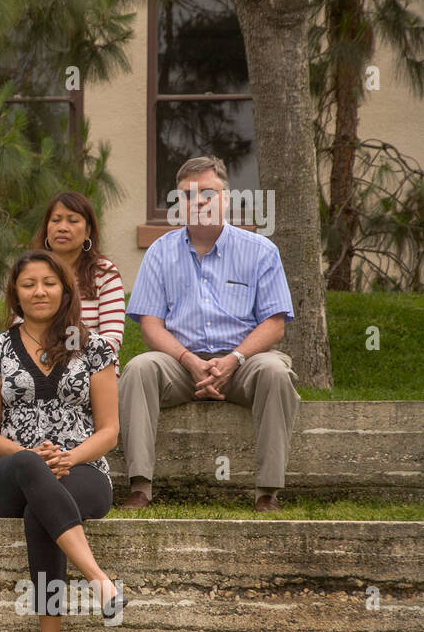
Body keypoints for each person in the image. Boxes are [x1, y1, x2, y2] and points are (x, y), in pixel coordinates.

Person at [0, 250, 126, 632]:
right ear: (15, 293)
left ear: (65, 290)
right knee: (28, 467)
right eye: (28, 284)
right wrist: (34, 458)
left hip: (82, 472)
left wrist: (70, 458)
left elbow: (110, 431)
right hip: (8, 475)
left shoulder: (96, 348)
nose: (39, 291)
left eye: (48, 282)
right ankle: (98, 579)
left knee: (44, 507)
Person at [119, 156, 298, 512]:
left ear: (226, 198)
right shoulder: (159, 252)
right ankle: (140, 487)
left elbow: (274, 323)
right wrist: (189, 361)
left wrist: (233, 360)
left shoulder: (260, 250)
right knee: (138, 368)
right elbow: (151, 325)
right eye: (187, 195)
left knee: (276, 372)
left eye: (207, 193)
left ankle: (267, 492)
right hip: (181, 365)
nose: (197, 202)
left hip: (245, 362)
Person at [27, 191, 125, 357]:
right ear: (46, 228)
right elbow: (19, 332)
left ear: (87, 231)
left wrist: (64, 359)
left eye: (73, 221)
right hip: (36, 367)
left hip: (92, 371)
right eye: (56, 220)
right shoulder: (30, 270)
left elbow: (112, 340)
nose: (63, 228)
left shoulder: (104, 273)